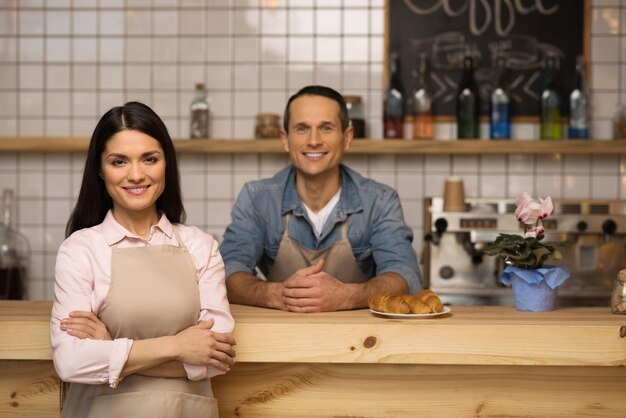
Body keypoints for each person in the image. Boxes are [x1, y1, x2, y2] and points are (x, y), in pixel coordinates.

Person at [50, 102, 235, 418]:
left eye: (149, 159)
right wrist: (178, 347)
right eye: (119, 161)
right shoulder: (79, 250)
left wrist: (113, 349)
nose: (136, 175)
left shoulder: (201, 246)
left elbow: (214, 359)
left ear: (166, 164)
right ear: (99, 169)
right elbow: (70, 361)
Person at [220, 85, 422, 313]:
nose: (313, 140)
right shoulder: (257, 199)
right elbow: (227, 273)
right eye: (302, 129)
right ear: (285, 139)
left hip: (363, 341)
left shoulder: (380, 201)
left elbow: (406, 275)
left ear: (347, 138)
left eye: (326, 128)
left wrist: (348, 296)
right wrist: (275, 294)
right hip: (278, 339)